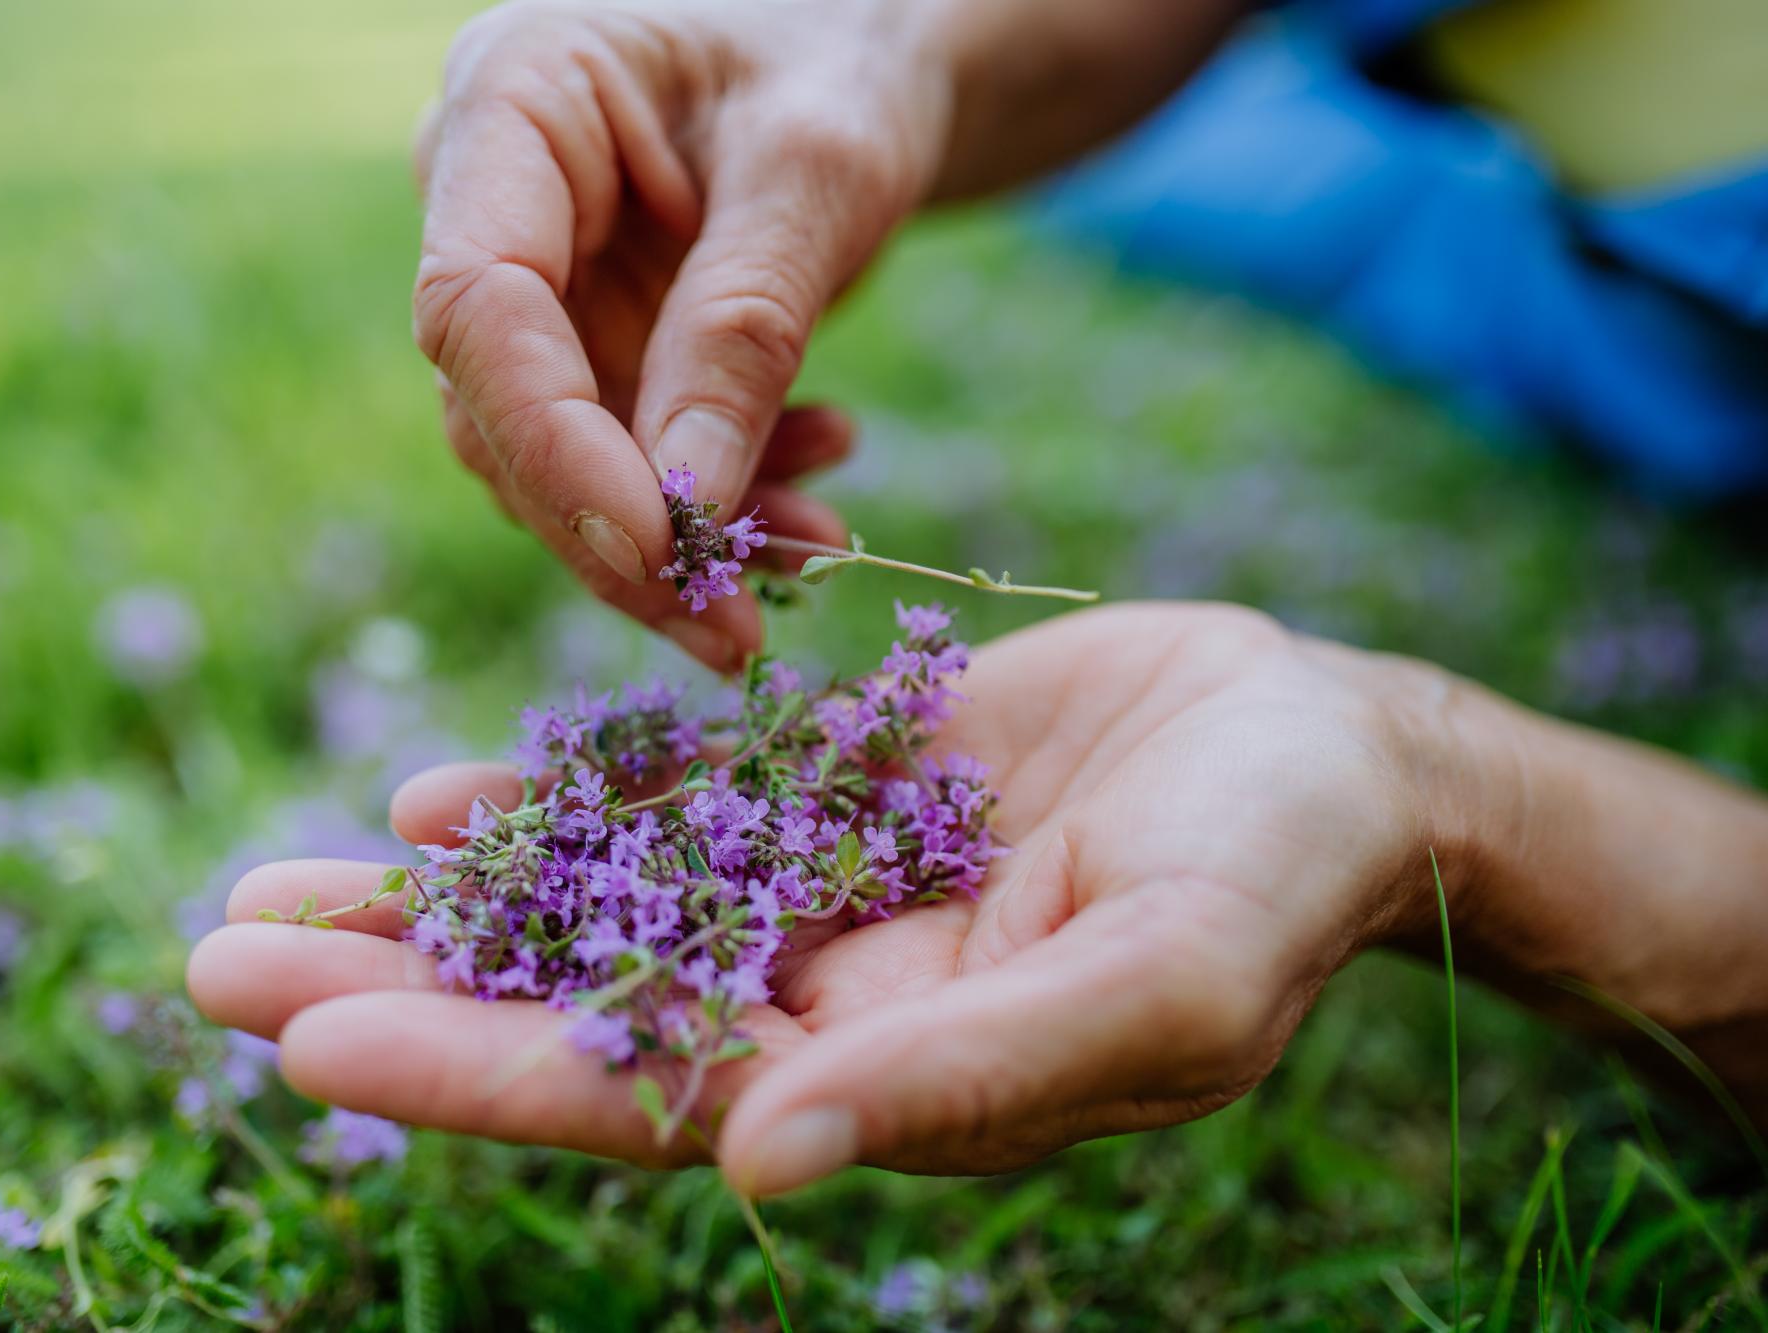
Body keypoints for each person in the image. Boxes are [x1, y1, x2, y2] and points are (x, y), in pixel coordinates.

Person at [188, 0, 1768, 1196]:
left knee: (1227, 193)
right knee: (1164, 171)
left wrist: (1455, 780)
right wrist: (873, 47)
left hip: (1633, 309)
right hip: (1612, 228)